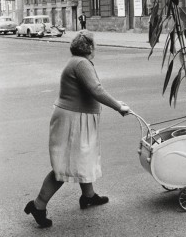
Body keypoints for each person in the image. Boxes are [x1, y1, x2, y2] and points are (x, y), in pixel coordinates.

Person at [24, 30, 130, 228]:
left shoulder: (77, 62)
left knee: (83, 158)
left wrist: (117, 102)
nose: (96, 48)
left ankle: (88, 196)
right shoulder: (81, 63)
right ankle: (38, 205)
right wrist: (118, 107)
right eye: (94, 45)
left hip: (75, 116)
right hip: (72, 119)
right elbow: (96, 89)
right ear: (89, 47)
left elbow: (92, 90)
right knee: (65, 166)